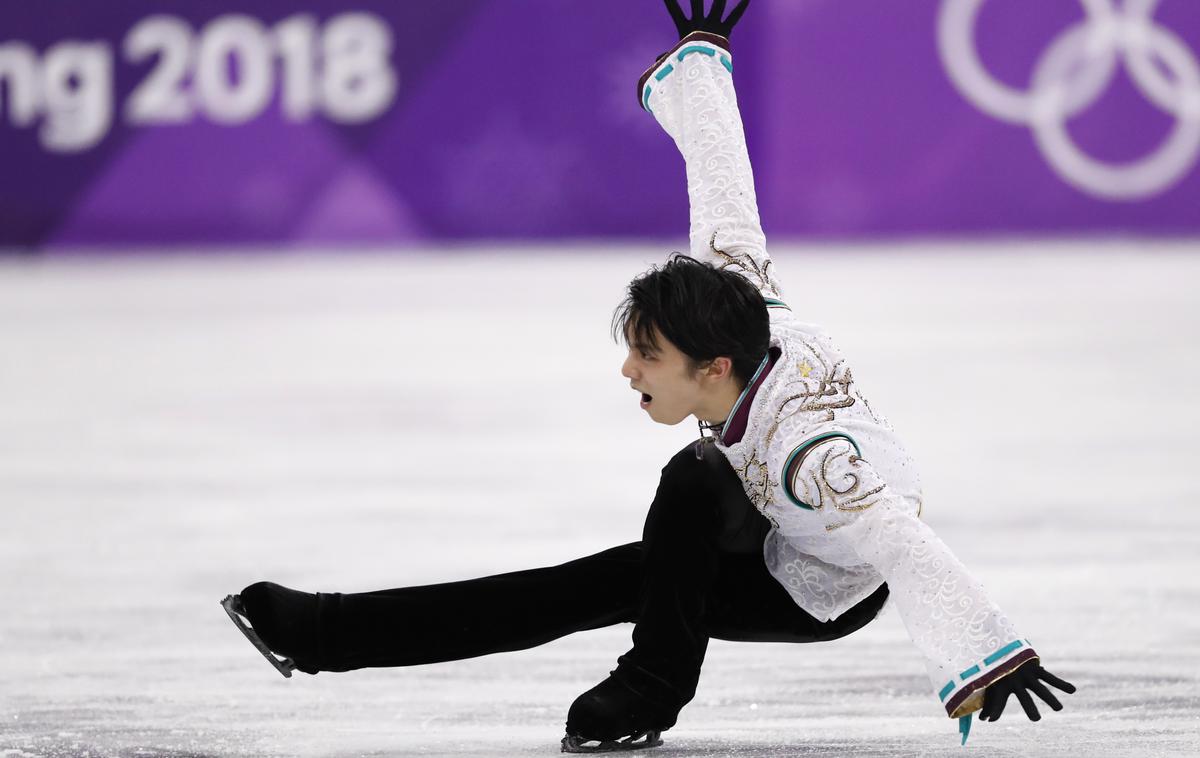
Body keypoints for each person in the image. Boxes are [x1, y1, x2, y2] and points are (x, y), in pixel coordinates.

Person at [221, 0, 1075, 752]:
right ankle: (328, 634)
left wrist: (990, 652)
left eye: (647, 357)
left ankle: (648, 688)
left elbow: (900, 541)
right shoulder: (741, 302)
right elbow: (725, 193)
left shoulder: (822, 465)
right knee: (630, 540)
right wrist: (702, 60)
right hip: (750, 504)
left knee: (667, 507)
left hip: (812, 582)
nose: (628, 370)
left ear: (714, 367)